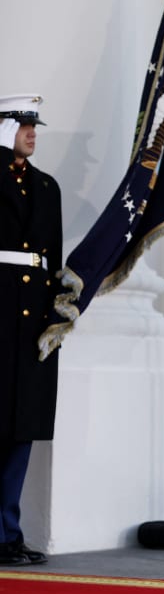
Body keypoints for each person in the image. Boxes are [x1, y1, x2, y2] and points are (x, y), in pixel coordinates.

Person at [0, 94, 61, 567]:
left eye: (33, 124)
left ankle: (8, 533)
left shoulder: (47, 186)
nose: (32, 132)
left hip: (32, 321)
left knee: (23, 430)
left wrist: (56, 315)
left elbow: (52, 259)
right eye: (23, 124)